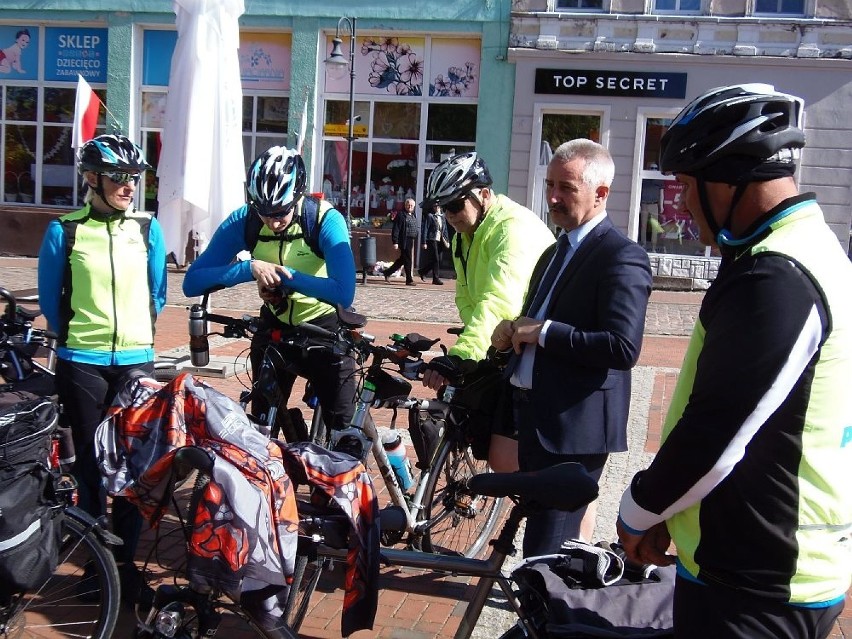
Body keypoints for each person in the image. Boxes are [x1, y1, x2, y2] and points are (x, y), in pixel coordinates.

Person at [616, 84, 852, 639]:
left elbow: (716, 433)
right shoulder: (814, 250)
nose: (683, 201)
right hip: (770, 560)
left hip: (757, 578)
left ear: (728, 182)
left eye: (687, 184)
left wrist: (636, 514)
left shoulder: (775, 277)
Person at [491, 139, 652, 555]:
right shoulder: (553, 252)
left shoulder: (621, 256)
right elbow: (534, 319)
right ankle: (548, 611)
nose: (553, 198)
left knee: (546, 547)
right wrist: (512, 332)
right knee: (544, 542)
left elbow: (621, 347)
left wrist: (543, 332)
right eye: (549, 185)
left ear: (600, 194)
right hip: (535, 417)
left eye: (566, 187)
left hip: (573, 428)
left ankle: (546, 616)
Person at [37, 133, 167, 600]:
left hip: (135, 361)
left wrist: (135, 336)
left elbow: (158, 294)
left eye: (133, 178)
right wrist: (84, 336)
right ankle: (96, 569)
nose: (129, 186)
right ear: (91, 179)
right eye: (118, 177)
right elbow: (53, 304)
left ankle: (125, 567)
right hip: (82, 363)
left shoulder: (147, 230)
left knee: (132, 471)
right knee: (92, 470)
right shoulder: (65, 231)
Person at [183, 145, 357, 436]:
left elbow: (343, 293)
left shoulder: (325, 220)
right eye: (265, 212)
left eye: (281, 212)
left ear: (298, 197)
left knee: (343, 432)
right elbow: (192, 282)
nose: (273, 222)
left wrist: (284, 278)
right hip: (276, 327)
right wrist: (249, 268)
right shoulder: (246, 220)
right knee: (261, 426)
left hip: (325, 328)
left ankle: (388, 453)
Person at [421, 151, 555, 472]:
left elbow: (499, 300)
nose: (449, 215)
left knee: (508, 451)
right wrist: (474, 350)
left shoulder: (512, 230)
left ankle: (535, 497)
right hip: (500, 338)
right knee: (465, 406)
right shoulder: (465, 235)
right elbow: (468, 299)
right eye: (443, 208)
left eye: (455, 205)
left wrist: (462, 355)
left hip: (535, 345)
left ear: (483, 195)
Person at [384, 197, 419, 285]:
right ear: (405, 205)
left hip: (411, 240)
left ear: (414, 206)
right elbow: (396, 229)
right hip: (404, 240)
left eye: (411, 205)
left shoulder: (413, 215)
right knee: (408, 260)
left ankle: (387, 272)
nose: (409, 206)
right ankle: (409, 280)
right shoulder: (401, 215)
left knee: (403, 260)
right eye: (408, 205)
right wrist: (395, 241)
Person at [418, 204, 449, 284]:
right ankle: (435, 278)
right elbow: (425, 229)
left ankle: (422, 271)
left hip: (440, 240)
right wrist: (424, 241)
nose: (436, 208)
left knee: (436, 260)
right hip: (432, 239)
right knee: (436, 259)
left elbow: (445, 230)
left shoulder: (442, 217)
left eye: (438, 206)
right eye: (435, 206)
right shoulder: (430, 216)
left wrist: (447, 240)